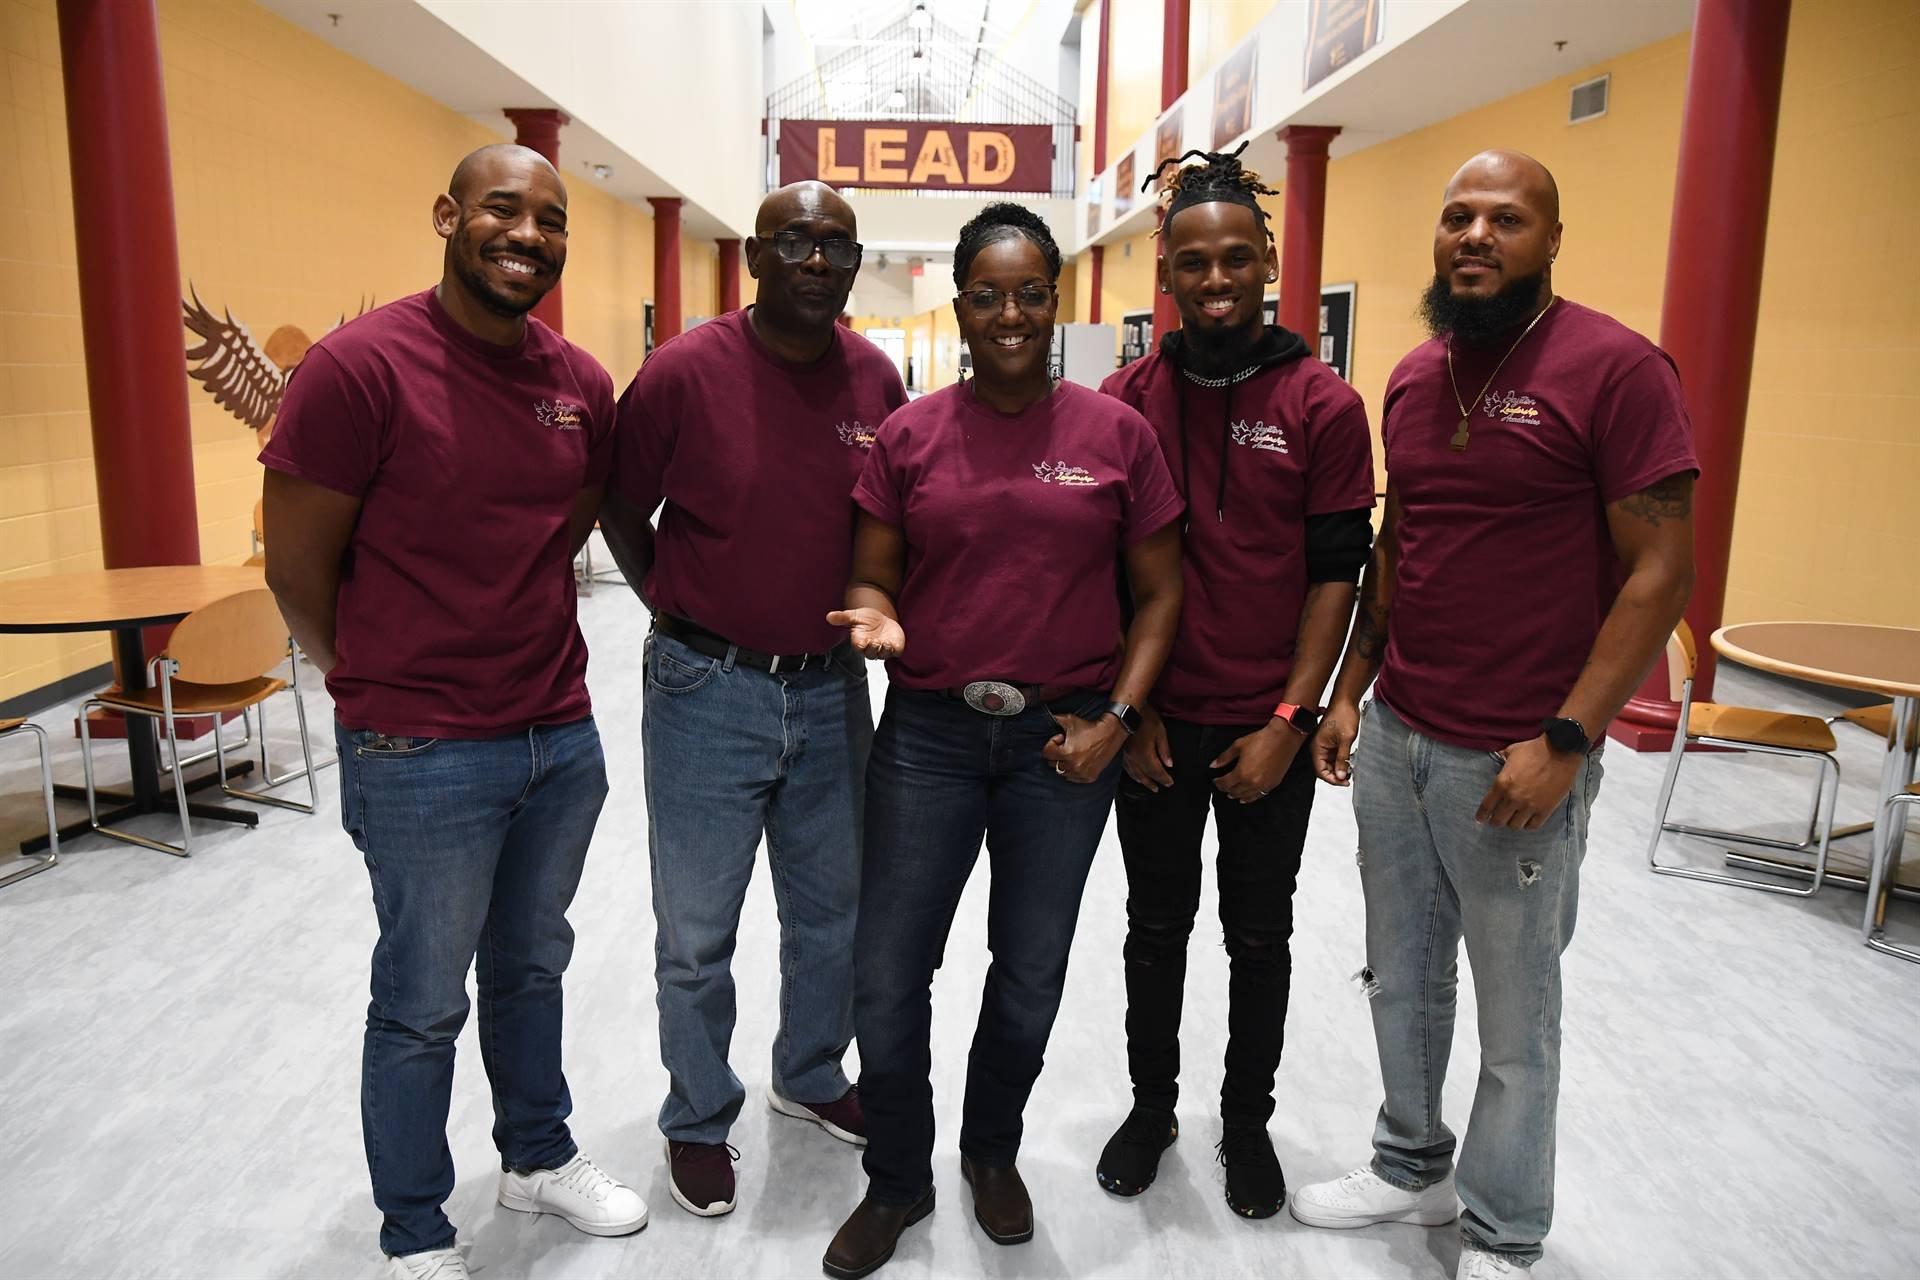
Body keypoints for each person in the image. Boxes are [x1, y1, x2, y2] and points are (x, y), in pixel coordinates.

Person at [1290, 150, 1697, 1280]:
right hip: (1400, 738)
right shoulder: (1417, 375)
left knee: (1518, 1014)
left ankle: (1506, 1229)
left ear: (1553, 238)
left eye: (1507, 218)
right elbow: (1400, 544)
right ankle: (1409, 1162)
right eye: (1458, 215)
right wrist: (1352, 690)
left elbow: (1662, 571)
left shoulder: (1618, 369)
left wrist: (1568, 739)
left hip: (1518, 753)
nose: (1476, 235)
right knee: (1400, 973)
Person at [261, 143, 646, 1280]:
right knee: (422, 1000)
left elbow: (565, 527)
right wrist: (379, 688)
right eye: (501, 209)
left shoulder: (580, 384)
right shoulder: (356, 369)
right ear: (447, 215)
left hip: (556, 733)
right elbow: (296, 569)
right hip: (420, 746)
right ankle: (416, 1229)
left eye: (550, 219)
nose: (527, 234)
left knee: (531, 965)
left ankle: (536, 1154)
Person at [821, 203, 1186, 1279]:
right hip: (928, 736)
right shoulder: (911, 435)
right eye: (988, 295)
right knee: (888, 973)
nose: (1011, 313)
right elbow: (871, 573)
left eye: (1030, 293)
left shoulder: (1117, 436)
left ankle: (990, 1151)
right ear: (961, 306)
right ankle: (897, 1177)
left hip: (1062, 741)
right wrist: (878, 617)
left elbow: (1161, 595)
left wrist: (1119, 719)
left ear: (1054, 301)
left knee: (1028, 971)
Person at [598, 182, 907, 1218]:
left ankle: (810, 1071)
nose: (818, 260)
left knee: (833, 912)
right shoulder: (684, 371)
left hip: (829, 690)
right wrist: (674, 603)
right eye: (797, 241)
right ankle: (697, 1115)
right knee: (696, 930)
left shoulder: (874, 377)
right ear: (757, 256)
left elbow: (890, 523)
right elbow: (620, 504)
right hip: (705, 688)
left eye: (838, 245)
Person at [1096, 145, 1376, 1219]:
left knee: (1259, 938)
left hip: (1268, 726)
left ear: (1268, 263)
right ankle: (1151, 1108)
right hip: (1158, 726)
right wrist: (1133, 709)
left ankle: (1246, 1122)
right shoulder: (1125, 399)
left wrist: (1291, 720)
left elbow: (1337, 572)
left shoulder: (1323, 404)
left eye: (1236, 258)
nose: (1216, 278)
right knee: (1154, 929)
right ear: (1167, 272)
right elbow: (1107, 571)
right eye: (1193, 261)